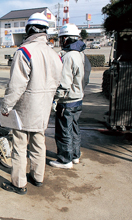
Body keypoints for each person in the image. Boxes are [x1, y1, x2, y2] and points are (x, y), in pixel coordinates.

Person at [0, 13, 63, 195]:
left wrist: (6, 107)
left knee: (19, 145)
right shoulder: (55, 54)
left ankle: (19, 183)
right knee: (38, 142)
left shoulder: (24, 52)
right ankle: (37, 177)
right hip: (44, 108)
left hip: (25, 108)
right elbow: (57, 83)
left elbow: (16, 85)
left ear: (29, 29)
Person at [49, 24, 91, 169]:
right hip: (78, 99)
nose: (60, 41)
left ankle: (64, 160)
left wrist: (55, 98)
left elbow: (64, 83)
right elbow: (86, 77)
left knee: (63, 132)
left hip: (67, 101)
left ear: (66, 38)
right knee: (74, 129)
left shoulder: (68, 56)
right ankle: (75, 155)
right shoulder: (81, 54)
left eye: (61, 38)